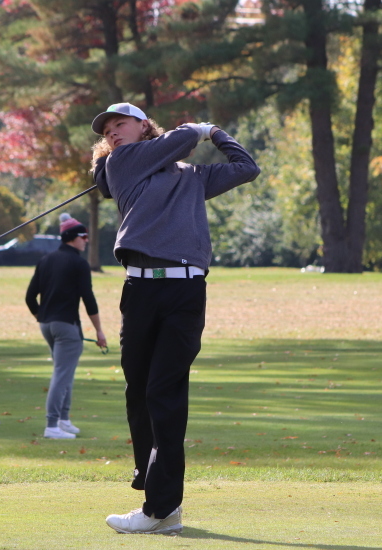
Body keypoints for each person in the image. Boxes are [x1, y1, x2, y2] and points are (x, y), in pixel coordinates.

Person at [90, 103, 260, 534]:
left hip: (184, 291)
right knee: (139, 392)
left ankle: (160, 509)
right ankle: (154, 483)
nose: (111, 133)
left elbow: (246, 168)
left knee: (164, 393)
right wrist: (199, 128)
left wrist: (217, 132)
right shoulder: (122, 163)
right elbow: (180, 138)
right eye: (106, 130)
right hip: (140, 290)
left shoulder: (191, 176)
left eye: (119, 124)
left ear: (144, 125)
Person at [25, 213, 107, 440]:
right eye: (83, 236)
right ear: (72, 238)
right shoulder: (79, 263)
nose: (86, 240)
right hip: (66, 328)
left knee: (65, 371)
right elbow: (88, 298)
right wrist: (99, 331)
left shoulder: (45, 260)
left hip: (47, 325)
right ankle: (52, 425)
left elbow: (30, 297)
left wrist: (40, 316)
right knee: (62, 374)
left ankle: (64, 420)